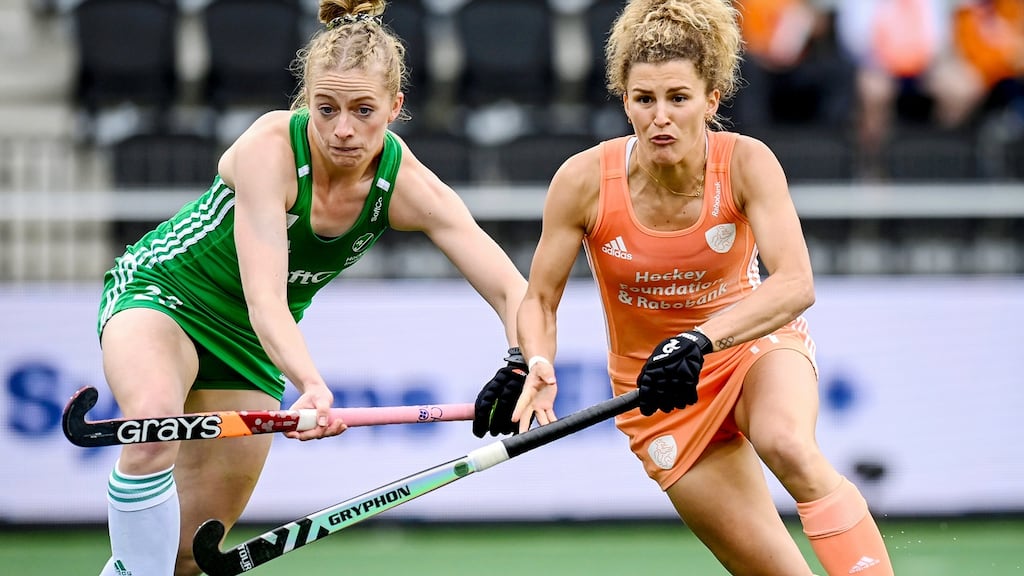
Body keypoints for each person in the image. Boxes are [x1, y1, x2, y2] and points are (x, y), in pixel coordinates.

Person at [93, 1, 527, 575]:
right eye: (327, 109)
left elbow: (512, 289)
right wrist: (313, 385)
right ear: (307, 104)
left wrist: (529, 364)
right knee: (151, 426)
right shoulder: (269, 149)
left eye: (363, 110)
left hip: (249, 347)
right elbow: (266, 299)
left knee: (185, 557)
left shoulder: (407, 185)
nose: (343, 129)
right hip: (164, 297)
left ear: (395, 109)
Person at [474, 1, 895, 574]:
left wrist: (699, 340)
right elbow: (541, 298)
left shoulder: (747, 163)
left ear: (711, 100)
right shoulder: (581, 181)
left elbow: (795, 283)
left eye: (678, 98)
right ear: (625, 101)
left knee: (787, 443)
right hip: (657, 392)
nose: (660, 117)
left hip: (746, 347)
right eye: (644, 100)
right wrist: (535, 358)